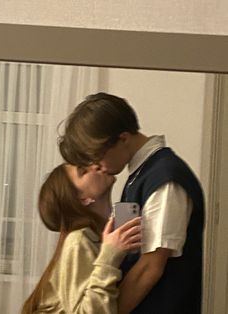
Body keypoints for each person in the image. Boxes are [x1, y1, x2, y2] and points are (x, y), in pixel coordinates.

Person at [58, 92, 205, 314]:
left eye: (97, 156)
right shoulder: (142, 175)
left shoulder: (166, 179)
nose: (96, 165)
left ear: (123, 139)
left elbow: (150, 268)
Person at [21, 163, 142, 313]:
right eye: (83, 171)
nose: (96, 166)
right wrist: (110, 256)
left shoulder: (95, 238)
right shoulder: (78, 241)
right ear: (82, 199)